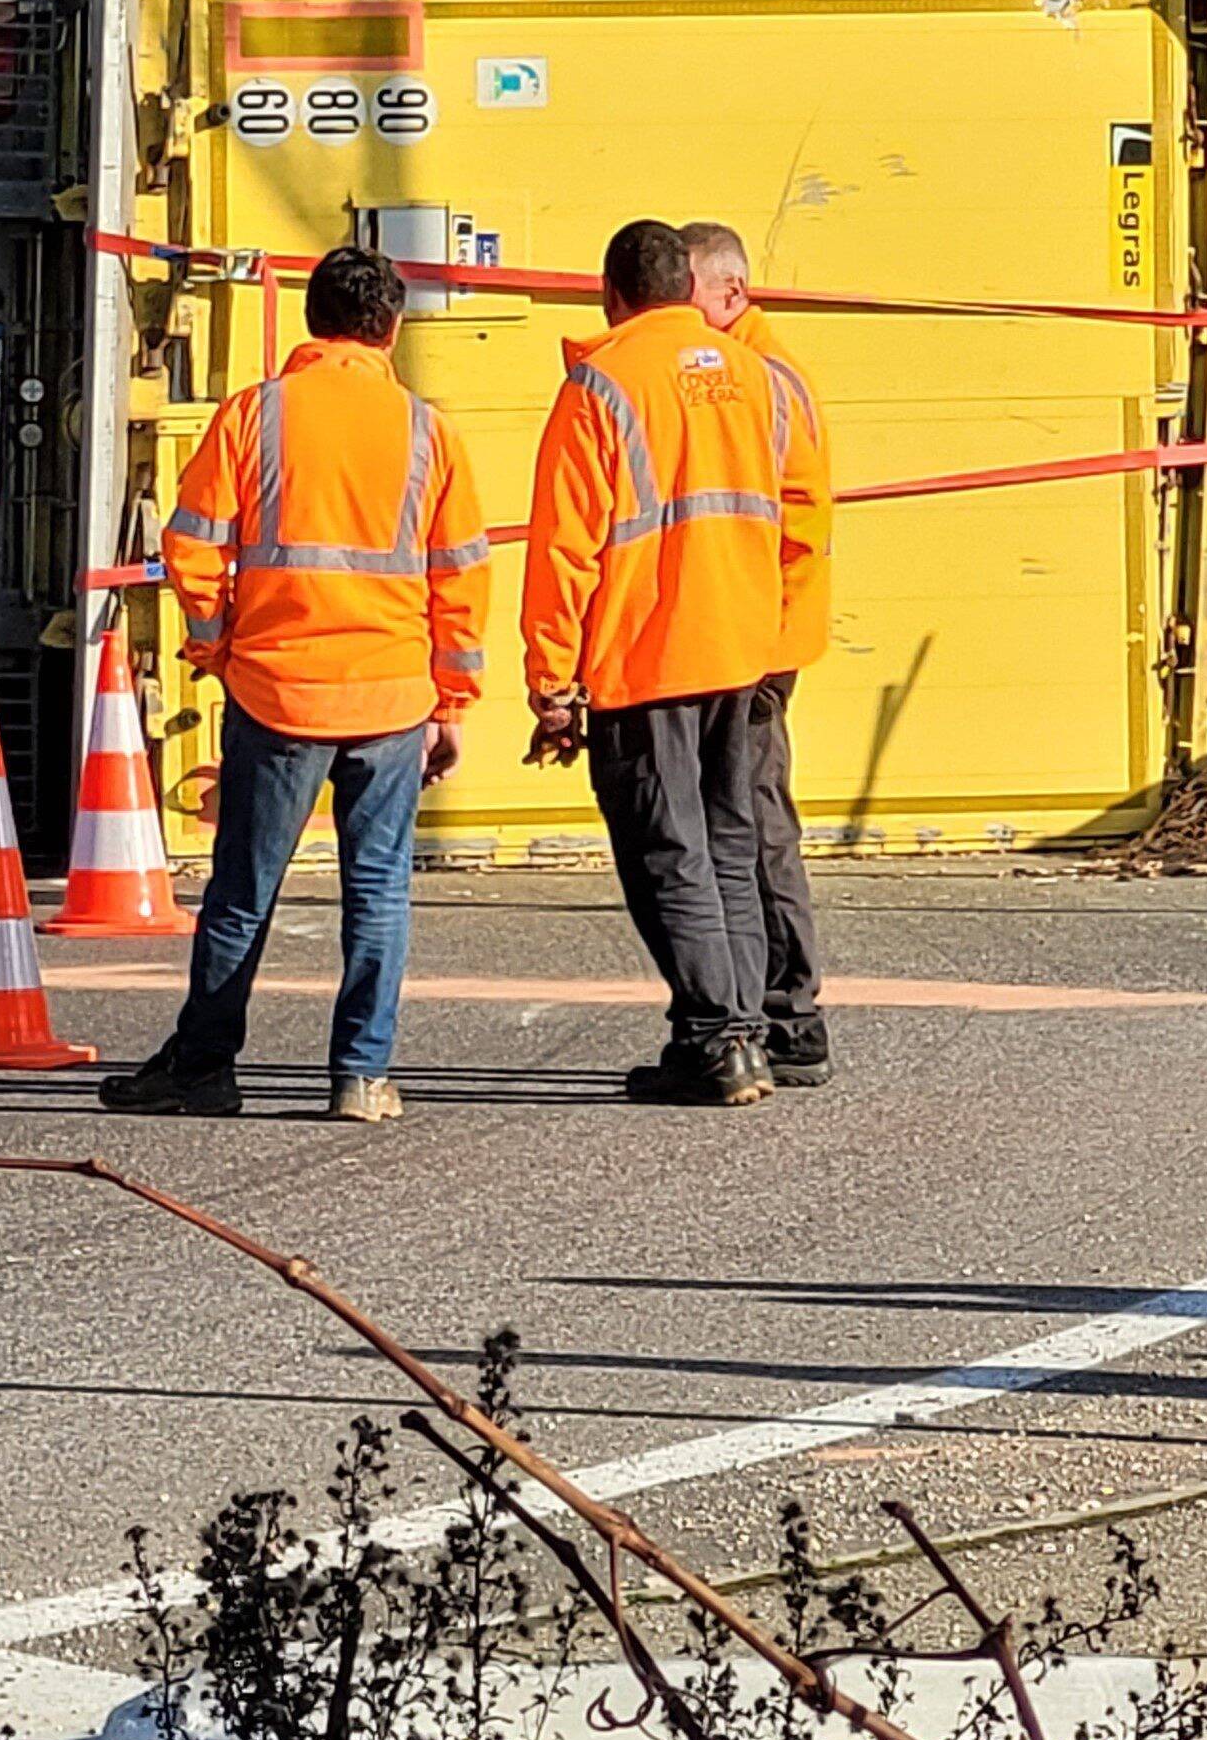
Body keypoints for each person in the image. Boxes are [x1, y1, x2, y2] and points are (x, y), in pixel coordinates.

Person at [106, 247, 493, 1124]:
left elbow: (194, 542)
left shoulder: (256, 415)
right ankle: (362, 1074)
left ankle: (203, 1066)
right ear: (391, 328)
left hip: (279, 689)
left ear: (313, 322)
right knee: (380, 890)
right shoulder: (429, 431)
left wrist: (215, 643)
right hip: (393, 697)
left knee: (244, 889)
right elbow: (462, 577)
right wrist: (452, 701)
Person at [518, 219, 817, 1107]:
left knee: (667, 851)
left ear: (610, 294)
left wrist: (552, 680)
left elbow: (565, 548)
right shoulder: (756, 377)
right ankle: (746, 1032)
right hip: (740, 648)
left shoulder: (600, 385)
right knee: (729, 842)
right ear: (689, 288)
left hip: (646, 651)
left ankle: (712, 1038)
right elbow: (795, 511)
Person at [686, 219, 835, 1085]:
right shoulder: (739, 373)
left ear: (732, 292)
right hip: (752, 629)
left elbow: (795, 522)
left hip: (761, 638)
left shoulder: (762, 380)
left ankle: (789, 1010)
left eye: (691, 294)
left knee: (756, 814)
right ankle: (773, 1004)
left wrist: (752, 628)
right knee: (745, 812)